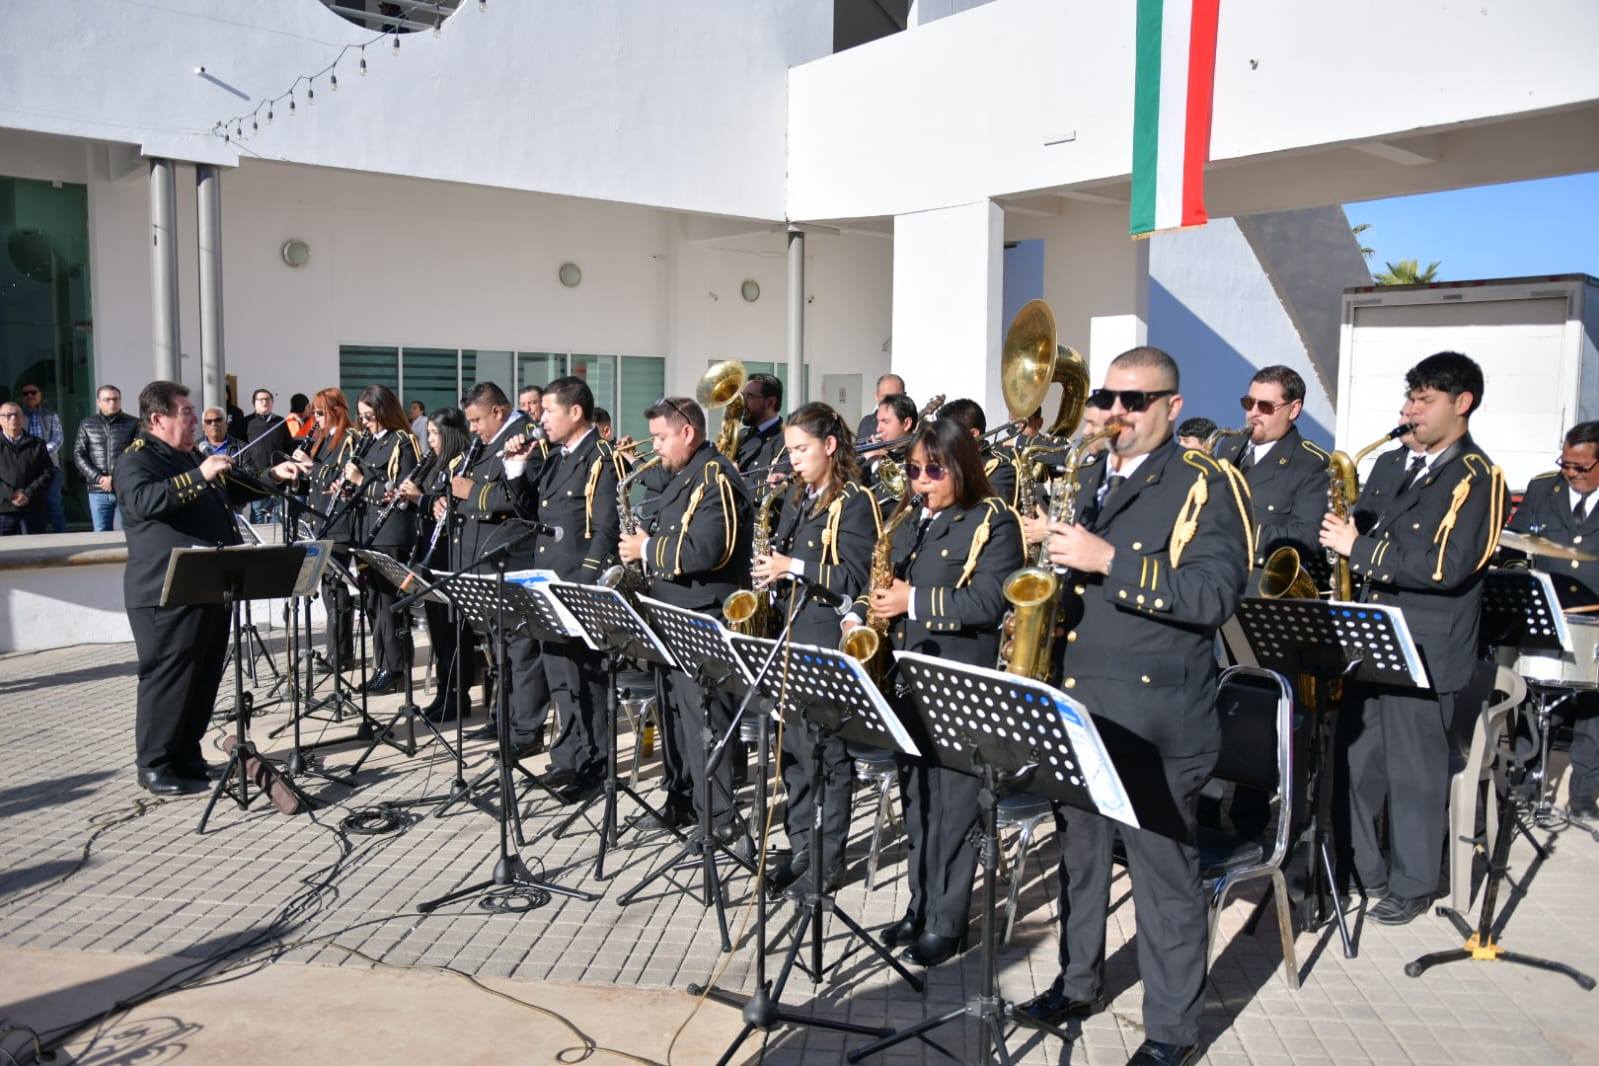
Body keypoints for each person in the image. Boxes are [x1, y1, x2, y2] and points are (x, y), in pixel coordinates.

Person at [1017, 347, 1251, 1066]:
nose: (1114, 413)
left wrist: (1107, 560)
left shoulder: (1206, 484)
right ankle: (1078, 980)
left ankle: (1172, 1032)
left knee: (1163, 879)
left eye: (1134, 401)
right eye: (1107, 399)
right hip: (1079, 704)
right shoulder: (1084, 475)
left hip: (1157, 718)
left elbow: (1214, 597)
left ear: (1171, 406)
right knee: (1079, 860)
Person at [1320, 351, 1506, 926]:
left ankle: (1416, 882)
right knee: (1354, 760)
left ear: (1462, 403)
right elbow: (1365, 532)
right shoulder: (1390, 466)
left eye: (1423, 401)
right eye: (1409, 399)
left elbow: (1447, 566)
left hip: (1426, 646)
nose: (1408, 411)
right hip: (1372, 635)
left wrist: (1361, 549)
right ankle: (1363, 870)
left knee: (1415, 772)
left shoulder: (1478, 477)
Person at [844, 415, 1022, 967]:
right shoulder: (910, 522)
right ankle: (920, 906)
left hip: (959, 682)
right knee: (917, 803)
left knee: (955, 808)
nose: (920, 480)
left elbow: (991, 602)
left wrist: (912, 602)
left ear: (961, 467)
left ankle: (948, 922)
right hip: (907, 680)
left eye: (933, 470)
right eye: (914, 470)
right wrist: (855, 618)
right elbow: (876, 586)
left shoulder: (992, 521)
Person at [116, 380, 300, 794]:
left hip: (207, 586)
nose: (196, 421)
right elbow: (144, 501)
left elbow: (229, 487)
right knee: (168, 677)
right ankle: (154, 763)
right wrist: (200, 474)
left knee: (201, 677)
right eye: (186, 413)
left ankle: (186, 755)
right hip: (164, 591)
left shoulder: (187, 455)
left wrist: (273, 474)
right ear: (158, 418)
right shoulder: (136, 460)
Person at [752, 402, 879, 895]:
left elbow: (853, 578)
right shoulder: (799, 498)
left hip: (825, 641)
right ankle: (801, 843)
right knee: (797, 754)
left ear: (830, 446)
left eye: (802, 449)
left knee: (828, 755)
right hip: (791, 633)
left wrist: (793, 568)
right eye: (789, 450)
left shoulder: (857, 502)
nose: (794, 459)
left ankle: (827, 859)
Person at [618, 396, 752, 836]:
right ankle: (683, 799)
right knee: (674, 714)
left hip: (702, 616)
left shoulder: (715, 478)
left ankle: (720, 818)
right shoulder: (685, 475)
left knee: (705, 721)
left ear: (688, 433)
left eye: (660, 437)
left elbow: (708, 550)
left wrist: (645, 549)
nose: (654, 447)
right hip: (670, 613)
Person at [504, 375, 625, 802]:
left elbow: (608, 527)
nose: (542, 418)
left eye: (550, 410)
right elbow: (527, 512)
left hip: (579, 582)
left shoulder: (602, 458)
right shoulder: (555, 457)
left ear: (575, 412)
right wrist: (516, 467)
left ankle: (596, 762)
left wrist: (584, 585)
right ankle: (568, 757)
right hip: (548, 580)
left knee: (585, 677)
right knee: (560, 675)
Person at [1504, 421, 1599, 816]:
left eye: (1580, 467)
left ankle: (1582, 796)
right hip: (1547, 614)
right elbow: (1513, 543)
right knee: (1534, 701)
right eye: (1566, 463)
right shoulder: (1544, 488)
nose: (1570, 473)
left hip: (1595, 622)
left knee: (1593, 714)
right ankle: (1524, 784)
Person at [450, 382, 550, 757]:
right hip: (484, 560)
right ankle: (502, 720)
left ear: (497, 411)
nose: (472, 428)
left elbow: (519, 499)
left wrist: (469, 493)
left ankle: (526, 730)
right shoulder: (486, 443)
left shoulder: (525, 440)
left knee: (521, 653)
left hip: (513, 559)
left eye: (476, 419)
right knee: (498, 651)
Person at [1210, 366, 1330, 588]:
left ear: (1293, 410)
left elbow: (1306, 537)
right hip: (1214, 576)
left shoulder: (1312, 462)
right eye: (1248, 403)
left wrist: (1236, 532)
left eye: (1264, 406)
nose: (1252, 413)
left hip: (1257, 586)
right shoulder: (1228, 446)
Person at [396, 407, 477, 723]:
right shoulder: (431, 462)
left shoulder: (461, 463)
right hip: (429, 555)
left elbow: (446, 505)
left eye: (434, 434)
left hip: (450, 557)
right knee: (437, 631)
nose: (429, 440)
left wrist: (420, 499)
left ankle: (458, 696)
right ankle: (445, 692)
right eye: (428, 433)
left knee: (452, 631)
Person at [341, 385, 423, 695]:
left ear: (385, 412)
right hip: (366, 530)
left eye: (370, 417)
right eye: (361, 417)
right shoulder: (367, 443)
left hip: (391, 531)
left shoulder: (404, 442)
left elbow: (403, 491)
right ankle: (382, 665)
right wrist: (348, 488)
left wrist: (362, 482)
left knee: (389, 603)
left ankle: (396, 668)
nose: (365, 423)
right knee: (373, 601)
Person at [293, 389, 359, 669]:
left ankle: (340, 655)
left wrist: (313, 467)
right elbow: (317, 480)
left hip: (340, 523)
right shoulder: (323, 440)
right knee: (329, 591)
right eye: (314, 413)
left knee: (337, 590)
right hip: (321, 521)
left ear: (336, 410)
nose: (315, 419)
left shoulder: (349, 439)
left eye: (319, 413)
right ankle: (335, 651)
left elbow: (346, 476)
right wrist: (299, 475)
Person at [73, 385, 139, 531]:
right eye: (107, 399)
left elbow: (137, 456)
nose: (112, 403)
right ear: (98, 402)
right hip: (98, 489)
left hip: (125, 488)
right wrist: (99, 478)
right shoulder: (87, 424)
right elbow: (79, 455)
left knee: (131, 533)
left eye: (115, 399)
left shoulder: (134, 424)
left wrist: (115, 478)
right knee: (101, 534)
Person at [936, 397, 1018, 511]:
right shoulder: (940, 467)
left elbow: (988, 513)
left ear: (974, 434)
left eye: (946, 433)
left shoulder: (1000, 471)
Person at [0, 402, 53, 536]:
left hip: (32, 509)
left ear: (23, 419)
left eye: (16, 415)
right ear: (0, 420)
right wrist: (11, 494)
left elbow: (48, 473)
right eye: (7, 415)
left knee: (34, 553)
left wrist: (28, 493)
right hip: (3, 509)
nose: (13, 418)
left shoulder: (37, 444)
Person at [18, 383, 64, 532]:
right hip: (26, 468)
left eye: (33, 392)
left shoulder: (51, 415)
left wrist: (40, 455)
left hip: (50, 466)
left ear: (40, 395)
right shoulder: (17, 416)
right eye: (26, 394)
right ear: (22, 397)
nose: (30, 396)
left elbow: (58, 439)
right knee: (29, 505)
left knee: (53, 504)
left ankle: (62, 540)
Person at [240, 389, 290, 523]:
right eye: (260, 399)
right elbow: (240, 447)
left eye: (267, 399)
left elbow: (288, 446)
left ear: (272, 402)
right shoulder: (246, 422)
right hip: (257, 476)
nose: (264, 402)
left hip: (278, 477)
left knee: (277, 513)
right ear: (254, 403)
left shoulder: (280, 421)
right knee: (258, 513)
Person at [734, 372, 786, 476]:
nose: (742, 403)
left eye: (749, 397)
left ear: (770, 402)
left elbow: (777, 488)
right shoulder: (740, 436)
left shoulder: (787, 440)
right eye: (742, 396)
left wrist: (736, 480)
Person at [856, 372, 907, 444]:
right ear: (876, 396)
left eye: (894, 397)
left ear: (904, 396)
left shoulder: (915, 425)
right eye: (884, 397)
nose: (889, 403)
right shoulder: (866, 422)